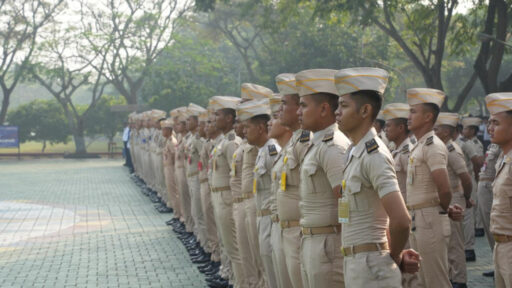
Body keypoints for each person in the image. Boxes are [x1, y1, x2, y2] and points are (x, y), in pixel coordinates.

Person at [335, 67, 411, 287]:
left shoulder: (373, 154)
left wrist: (394, 257)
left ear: (365, 110)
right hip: (357, 262)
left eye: (344, 106)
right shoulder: (355, 152)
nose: (337, 112)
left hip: (372, 266)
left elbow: (401, 220)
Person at [296, 69, 350, 287]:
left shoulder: (333, 146)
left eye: (304, 105)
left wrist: (341, 241)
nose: (299, 112)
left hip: (328, 243)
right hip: (313, 239)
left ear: (324, 109)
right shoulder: (316, 143)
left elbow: (345, 199)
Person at [406, 88, 452, 287]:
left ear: (428, 117)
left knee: (436, 278)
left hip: (429, 216)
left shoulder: (433, 146)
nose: (408, 117)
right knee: (423, 279)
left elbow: (445, 189)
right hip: (418, 217)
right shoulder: (419, 145)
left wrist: (439, 211)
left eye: (413, 112)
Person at [233, 83, 271, 288]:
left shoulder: (266, 142)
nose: (241, 108)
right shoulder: (249, 141)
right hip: (248, 201)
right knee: (249, 257)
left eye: (246, 104)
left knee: (261, 261)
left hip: (258, 204)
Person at [240, 98, 280, 288]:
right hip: (261, 217)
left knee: (273, 273)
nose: (244, 131)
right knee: (265, 268)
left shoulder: (272, 151)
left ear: (261, 128)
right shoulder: (262, 151)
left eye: (248, 127)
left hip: (270, 220)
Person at [274, 73, 309, 288]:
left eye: (284, 104)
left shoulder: (307, 142)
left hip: (300, 231)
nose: (279, 111)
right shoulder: (294, 142)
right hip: (286, 227)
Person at [434, 113, 473, 288]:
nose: (434, 131)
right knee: (447, 241)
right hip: (447, 196)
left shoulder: (451, 150)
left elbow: (465, 178)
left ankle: (459, 280)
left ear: (446, 132)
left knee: (456, 242)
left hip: (455, 197)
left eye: (437, 129)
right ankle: (452, 275)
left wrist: (466, 197)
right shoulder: (442, 147)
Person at [209, 96, 244, 287]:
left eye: (218, 115)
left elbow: (236, 175)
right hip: (219, 194)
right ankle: (229, 275)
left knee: (234, 245)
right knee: (226, 242)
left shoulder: (232, 142)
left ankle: (237, 282)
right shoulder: (223, 141)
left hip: (227, 196)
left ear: (230, 118)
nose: (214, 119)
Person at [484, 92, 512, 288]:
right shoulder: (504, 159)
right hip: (500, 246)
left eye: (496, 123)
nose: (490, 128)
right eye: (490, 123)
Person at [267, 92, 294, 288]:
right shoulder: (285, 151)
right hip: (279, 224)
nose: (270, 122)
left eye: (274, 117)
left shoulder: (302, 148)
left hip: (297, 230)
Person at [458, 116, 485, 261]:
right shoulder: (461, 143)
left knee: (471, 209)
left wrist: (476, 176)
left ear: (473, 130)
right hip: (461, 180)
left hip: (469, 178)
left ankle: (471, 242)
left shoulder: (473, 143)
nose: (464, 131)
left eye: (467, 128)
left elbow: (478, 161)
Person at [185, 103, 208, 263]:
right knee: (196, 213)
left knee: (202, 216)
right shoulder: (193, 138)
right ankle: (203, 246)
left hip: (201, 179)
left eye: (190, 120)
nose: (188, 123)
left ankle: (208, 251)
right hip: (194, 176)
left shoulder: (200, 140)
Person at [478, 142, 501, 277]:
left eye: (495, 123)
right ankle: (497, 265)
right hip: (485, 187)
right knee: (489, 228)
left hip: (491, 188)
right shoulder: (494, 145)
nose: (490, 127)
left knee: (496, 230)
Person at [382, 103, 411, 202]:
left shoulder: (408, 152)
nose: (385, 130)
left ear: (401, 128)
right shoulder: (394, 149)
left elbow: (413, 185)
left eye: (388, 126)